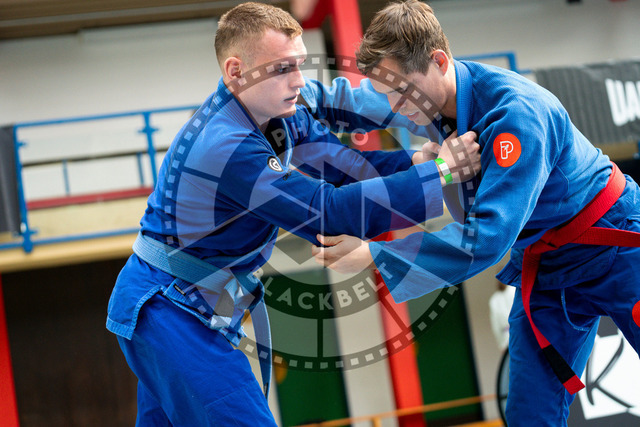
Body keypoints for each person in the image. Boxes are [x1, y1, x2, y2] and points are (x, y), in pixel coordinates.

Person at [105, 2, 481, 425]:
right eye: (282, 69)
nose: (299, 81)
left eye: (300, 65)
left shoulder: (278, 115)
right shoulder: (225, 146)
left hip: (185, 306)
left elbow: (344, 170)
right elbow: (326, 213)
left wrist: (417, 163)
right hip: (168, 308)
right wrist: (441, 173)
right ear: (235, 71)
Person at [311, 1, 640, 425]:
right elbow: (350, 101)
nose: (395, 104)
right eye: (387, 91)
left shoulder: (514, 113)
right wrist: (278, 99)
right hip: (548, 264)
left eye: (402, 91)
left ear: (438, 61)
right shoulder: (415, 94)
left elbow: (487, 237)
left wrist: (375, 255)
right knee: (530, 414)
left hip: (616, 244)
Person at [489, 280, 515, 352]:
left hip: (506, 339)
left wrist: (501, 343)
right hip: (518, 333)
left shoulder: (494, 300)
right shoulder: (514, 290)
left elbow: (495, 326)